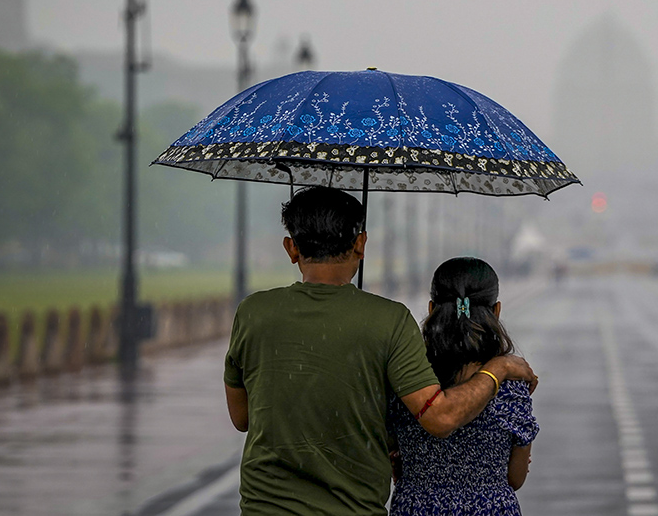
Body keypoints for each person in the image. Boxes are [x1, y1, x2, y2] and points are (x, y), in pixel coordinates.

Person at [223, 186, 537, 516]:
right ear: (360, 244)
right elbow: (439, 417)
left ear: (291, 248)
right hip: (351, 508)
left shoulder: (253, 313)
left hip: (264, 507)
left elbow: (242, 417)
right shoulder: (388, 320)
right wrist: (499, 369)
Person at [387, 257, 538, 515]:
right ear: (496, 310)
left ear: (432, 308)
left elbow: (395, 462)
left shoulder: (411, 380)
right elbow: (515, 478)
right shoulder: (512, 387)